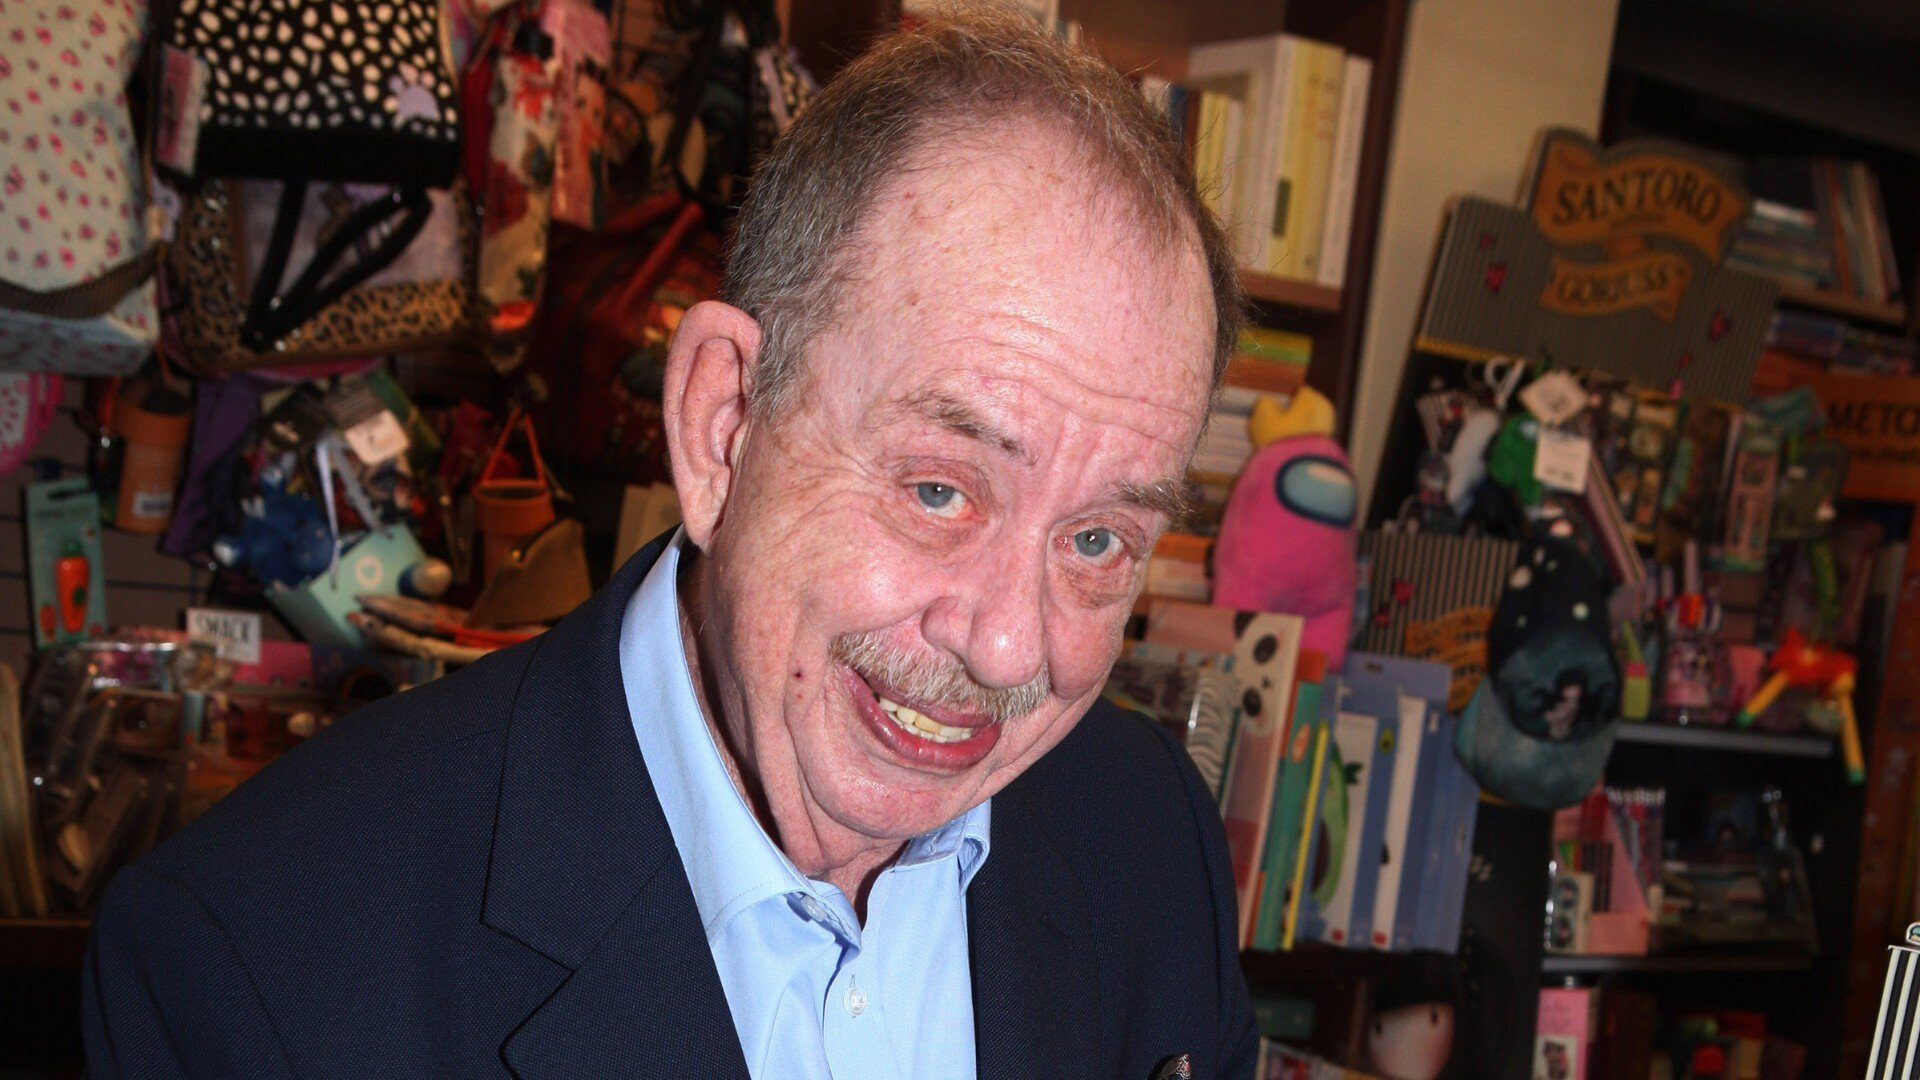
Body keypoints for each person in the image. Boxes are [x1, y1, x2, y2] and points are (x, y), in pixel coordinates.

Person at [82, 8, 1256, 1077]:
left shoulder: (1147, 838)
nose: (1008, 646)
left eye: (1097, 540)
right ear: (720, 425)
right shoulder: (260, 959)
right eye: (941, 491)